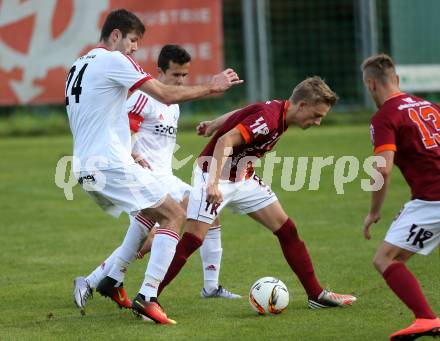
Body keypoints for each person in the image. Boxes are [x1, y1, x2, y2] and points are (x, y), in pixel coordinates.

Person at [66, 9, 241, 324]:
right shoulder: (115, 60)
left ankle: (109, 279)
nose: (135, 48)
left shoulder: (78, 65)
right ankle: (147, 296)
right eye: (133, 40)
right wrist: (212, 87)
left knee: (156, 214)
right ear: (116, 35)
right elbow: (163, 93)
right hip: (111, 164)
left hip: (85, 167)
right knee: (174, 214)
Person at [155, 76, 357, 310]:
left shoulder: (279, 113)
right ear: (302, 106)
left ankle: (316, 295)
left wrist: (214, 122)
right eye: (316, 115)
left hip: (243, 177)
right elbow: (225, 141)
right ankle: (149, 296)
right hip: (214, 175)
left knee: (287, 230)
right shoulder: (270, 119)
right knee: (192, 240)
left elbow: (244, 112)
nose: (318, 122)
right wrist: (212, 184)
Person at [361, 54, 440, 340]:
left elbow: (382, 167)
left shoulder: (385, 117)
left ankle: (426, 318)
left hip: (433, 200)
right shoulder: (430, 105)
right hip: (430, 199)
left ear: (371, 85)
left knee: (386, 258)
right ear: (396, 79)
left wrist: (374, 212)